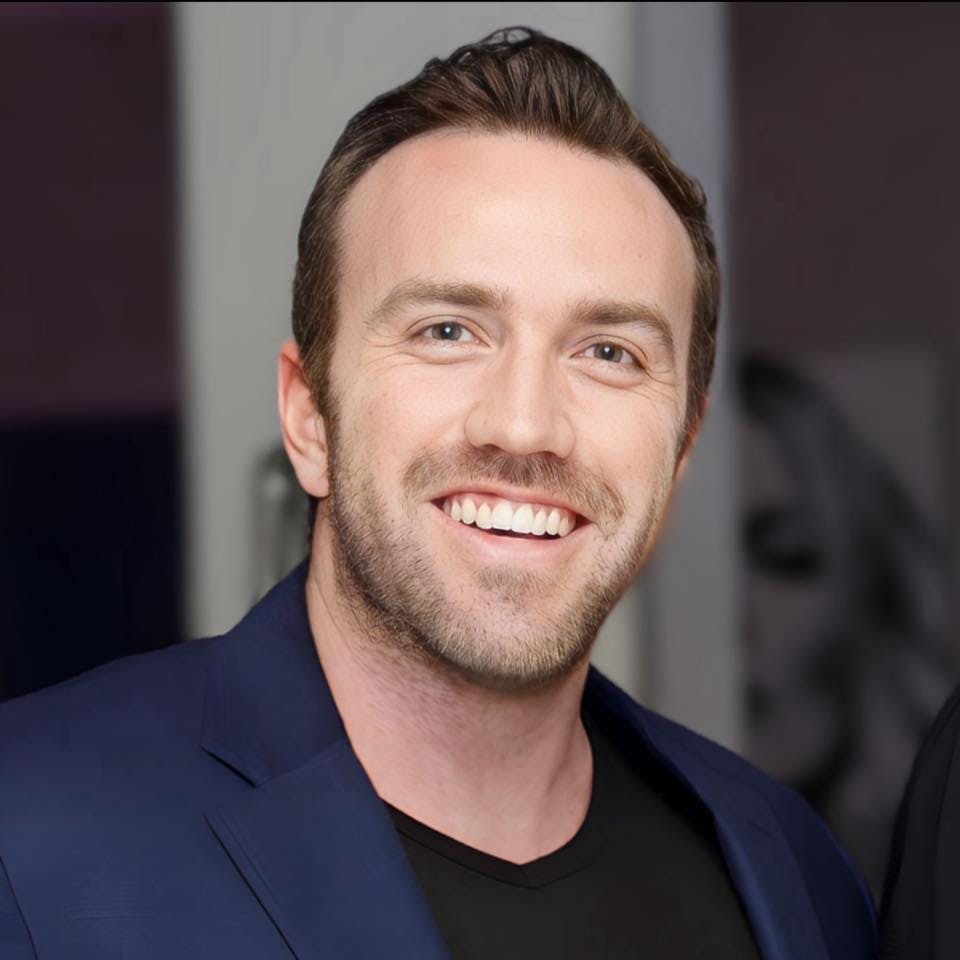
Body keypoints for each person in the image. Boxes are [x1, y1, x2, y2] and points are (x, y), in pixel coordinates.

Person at [0, 28, 875, 959]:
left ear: (682, 448)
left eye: (608, 352)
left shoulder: (797, 878)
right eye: (449, 331)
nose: (525, 425)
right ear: (309, 417)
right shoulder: (27, 830)